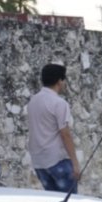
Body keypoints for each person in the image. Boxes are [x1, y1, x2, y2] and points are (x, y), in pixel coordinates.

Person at [26, 63, 79, 192]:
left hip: (39, 162)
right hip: (57, 160)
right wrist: (75, 163)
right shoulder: (59, 103)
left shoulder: (33, 101)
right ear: (59, 81)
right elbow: (65, 134)